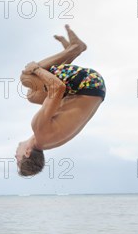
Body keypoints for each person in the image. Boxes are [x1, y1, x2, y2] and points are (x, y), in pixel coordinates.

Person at [16, 25, 106, 176]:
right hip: (87, 83)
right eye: (17, 161)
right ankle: (74, 49)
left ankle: (70, 53)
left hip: (94, 89)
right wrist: (36, 69)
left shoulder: (47, 142)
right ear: (27, 153)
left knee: (33, 96)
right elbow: (58, 87)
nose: (15, 156)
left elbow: (57, 92)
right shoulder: (39, 129)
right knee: (27, 78)